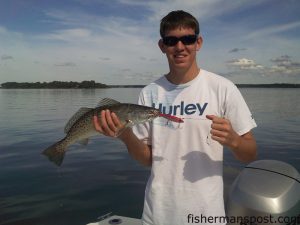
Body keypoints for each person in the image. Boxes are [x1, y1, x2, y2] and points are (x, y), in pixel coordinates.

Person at [94, 10, 257, 225]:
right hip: (157, 215)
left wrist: (234, 140)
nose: (180, 47)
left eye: (187, 39)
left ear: (198, 43)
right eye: (171, 41)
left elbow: (250, 154)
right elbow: (146, 159)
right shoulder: (149, 93)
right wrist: (125, 135)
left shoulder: (223, 88)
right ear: (162, 46)